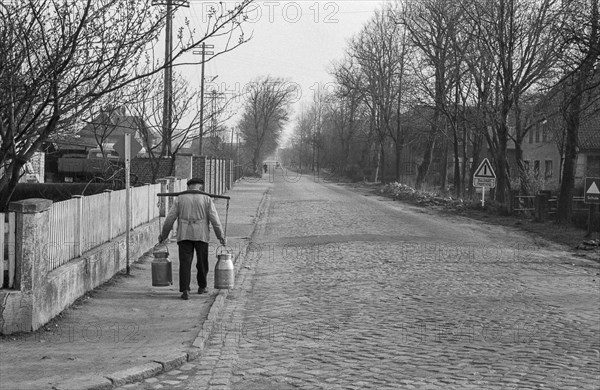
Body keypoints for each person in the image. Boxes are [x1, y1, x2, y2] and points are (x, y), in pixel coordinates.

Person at [158, 178, 227, 300]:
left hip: (184, 234)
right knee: (202, 262)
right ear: (200, 186)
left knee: (185, 262)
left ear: (189, 187)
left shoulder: (180, 198)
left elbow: (170, 219)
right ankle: (202, 286)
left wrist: (163, 235)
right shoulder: (206, 199)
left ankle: (185, 289)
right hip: (201, 234)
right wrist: (220, 236)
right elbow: (214, 219)